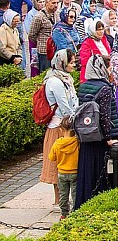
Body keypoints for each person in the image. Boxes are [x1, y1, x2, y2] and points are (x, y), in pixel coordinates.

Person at [75, 55, 118, 209]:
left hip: (86, 135)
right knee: (99, 174)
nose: (111, 71)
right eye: (109, 68)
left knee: (86, 171)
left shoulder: (83, 86)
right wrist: (109, 138)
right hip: (100, 139)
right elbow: (105, 116)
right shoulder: (105, 88)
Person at [41, 51, 79, 206]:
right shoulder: (55, 82)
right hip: (59, 127)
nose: (73, 65)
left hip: (67, 124)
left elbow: (74, 100)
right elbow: (64, 106)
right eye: (71, 62)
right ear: (62, 63)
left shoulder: (66, 78)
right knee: (58, 165)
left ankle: (65, 199)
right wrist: (74, 118)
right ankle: (59, 200)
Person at [48, 118, 79, 218]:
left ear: (61, 129)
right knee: (75, 195)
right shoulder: (77, 142)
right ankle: (75, 213)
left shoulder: (57, 143)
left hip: (62, 173)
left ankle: (64, 214)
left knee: (63, 195)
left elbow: (51, 157)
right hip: (75, 172)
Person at [29, 0, 59, 76]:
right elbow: (32, 34)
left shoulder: (57, 14)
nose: (56, 5)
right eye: (53, 3)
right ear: (47, 3)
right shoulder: (39, 16)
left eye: (57, 3)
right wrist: (41, 42)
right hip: (44, 50)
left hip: (56, 49)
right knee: (45, 73)